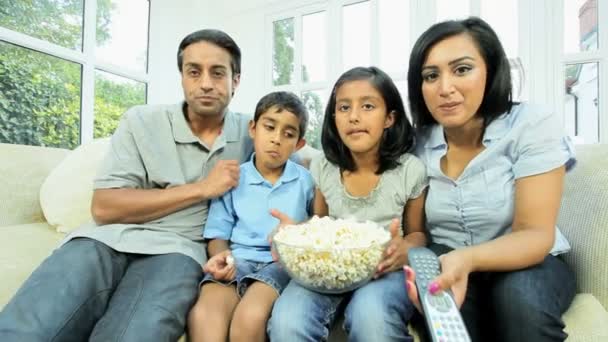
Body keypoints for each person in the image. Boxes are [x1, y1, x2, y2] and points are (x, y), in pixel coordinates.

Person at [0, 29, 253, 341]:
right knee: (26, 330)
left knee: (134, 334)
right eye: (193, 71)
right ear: (182, 77)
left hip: (177, 253)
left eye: (218, 73)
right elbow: (104, 207)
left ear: (235, 81)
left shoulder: (254, 131)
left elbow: (306, 156)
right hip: (102, 241)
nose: (205, 83)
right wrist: (203, 188)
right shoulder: (141, 121)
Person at [403, 17, 576, 341]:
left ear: (491, 71)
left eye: (462, 69)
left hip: (529, 262)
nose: (445, 88)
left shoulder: (531, 124)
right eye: (430, 76)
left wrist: (466, 259)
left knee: (517, 301)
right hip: (447, 257)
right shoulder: (417, 143)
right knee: (444, 313)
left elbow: (536, 235)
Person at [269, 66, 428, 342]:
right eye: (343, 108)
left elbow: (417, 233)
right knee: (287, 321)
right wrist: (293, 233)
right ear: (334, 117)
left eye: (367, 106)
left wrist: (404, 248)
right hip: (327, 270)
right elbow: (319, 223)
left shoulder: (409, 170)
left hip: (384, 270)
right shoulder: (324, 167)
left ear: (389, 117)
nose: (353, 117)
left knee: (371, 318)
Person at [187, 91, 314, 342]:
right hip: (238, 260)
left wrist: (297, 230)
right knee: (204, 315)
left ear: (299, 144)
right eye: (269, 127)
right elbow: (217, 234)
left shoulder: (305, 181)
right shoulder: (233, 178)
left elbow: (318, 225)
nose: (276, 139)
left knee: (250, 316)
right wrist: (222, 256)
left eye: (288, 134)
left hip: (280, 266)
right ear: (253, 129)